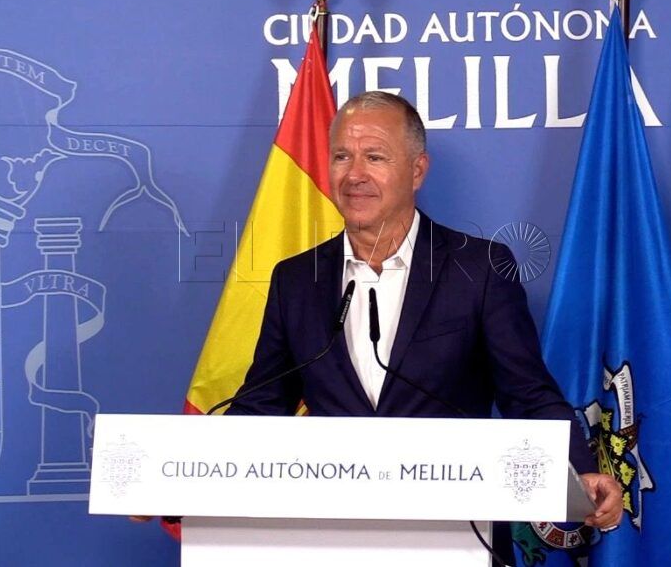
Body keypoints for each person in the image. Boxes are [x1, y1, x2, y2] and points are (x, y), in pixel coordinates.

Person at [135, 91, 622, 553]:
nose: (355, 175)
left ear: (417, 170)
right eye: (342, 156)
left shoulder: (479, 269)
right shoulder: (297, 279)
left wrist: (580, 470)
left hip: (455, 532)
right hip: (331, 537)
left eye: (375, 157)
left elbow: (527, 393)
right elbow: (260, 407)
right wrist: (174, 487)